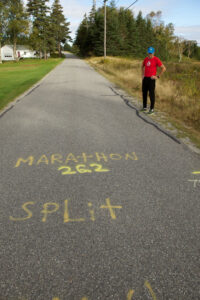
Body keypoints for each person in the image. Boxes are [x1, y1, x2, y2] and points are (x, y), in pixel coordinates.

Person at [141, 47, 166, 114]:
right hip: (145, 78)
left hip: (151, 79)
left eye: (151, 53)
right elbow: (142, 66)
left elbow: (163, 68)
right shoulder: (146, 59)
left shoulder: (156, 59)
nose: (150, 55)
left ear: (153, 53)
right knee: (144, 93)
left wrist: (157, 76)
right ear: (147, 52)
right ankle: (144, 107)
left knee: (151, 94)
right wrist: (142, 75)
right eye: (149, 53)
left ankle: (151, 109)